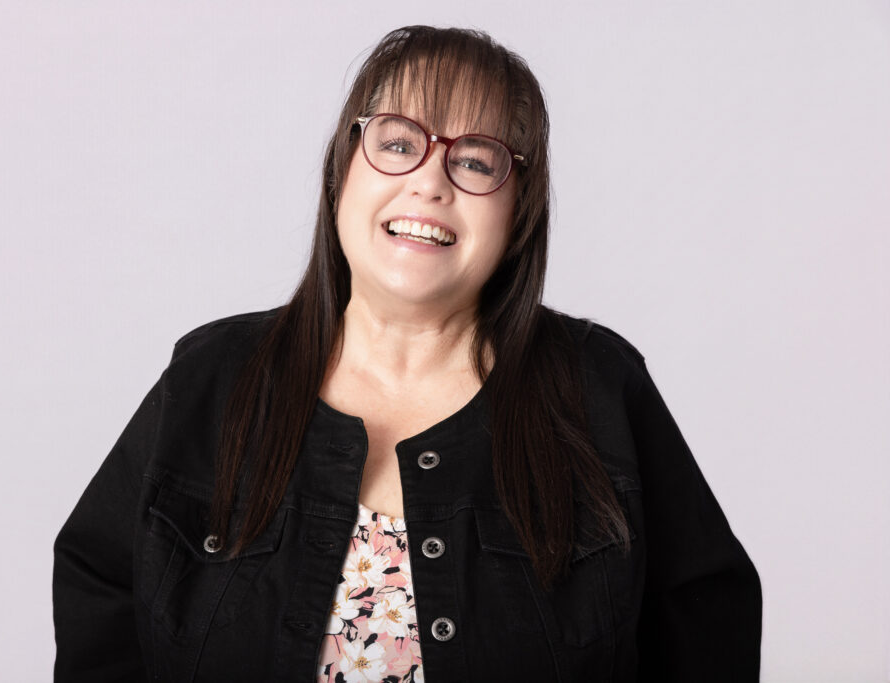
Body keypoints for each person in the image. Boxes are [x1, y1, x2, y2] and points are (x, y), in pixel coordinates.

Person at [52, 25, 762, 682]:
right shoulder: (210, 377)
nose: (430, 180)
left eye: (475, 159)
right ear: (342, 169)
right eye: (397, 143)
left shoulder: (601, 390)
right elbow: (101, 597)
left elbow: (708, 629)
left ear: (517, 214)